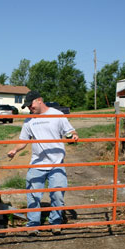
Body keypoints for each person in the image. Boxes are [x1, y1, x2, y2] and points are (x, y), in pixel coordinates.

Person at [8, 90, 78, 235]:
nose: (29, 108)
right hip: (37, 164)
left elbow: (71, 131)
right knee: (33, 195)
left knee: (58, 194)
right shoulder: (29, 120)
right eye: (27, 106)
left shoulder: (57, 115)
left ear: (39, 100)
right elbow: (23, 141)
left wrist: (74, 136)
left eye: (31, 104)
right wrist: (15, 150)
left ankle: (55, 223)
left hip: (56, 163)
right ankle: (33, 225)